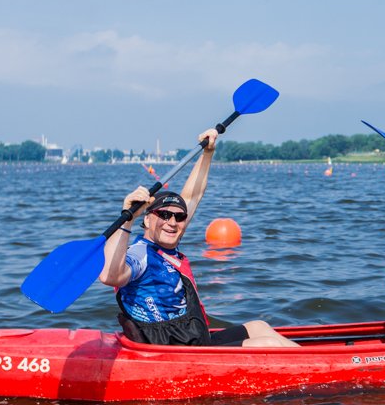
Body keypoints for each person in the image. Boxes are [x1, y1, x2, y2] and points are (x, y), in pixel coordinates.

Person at [99, 128, 299, 348]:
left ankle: (317, 361)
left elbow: (192, 195)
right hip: (172, 350)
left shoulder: (167, 245)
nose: (172, 222)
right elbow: (110, 275)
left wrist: (207, 153)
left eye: (179, 217)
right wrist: (126, 219)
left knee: (259, 327)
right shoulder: (141, 253)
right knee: (268, 344)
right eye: (164, 215)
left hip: (192, 338)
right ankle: (324, 367)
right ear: (146, 220)